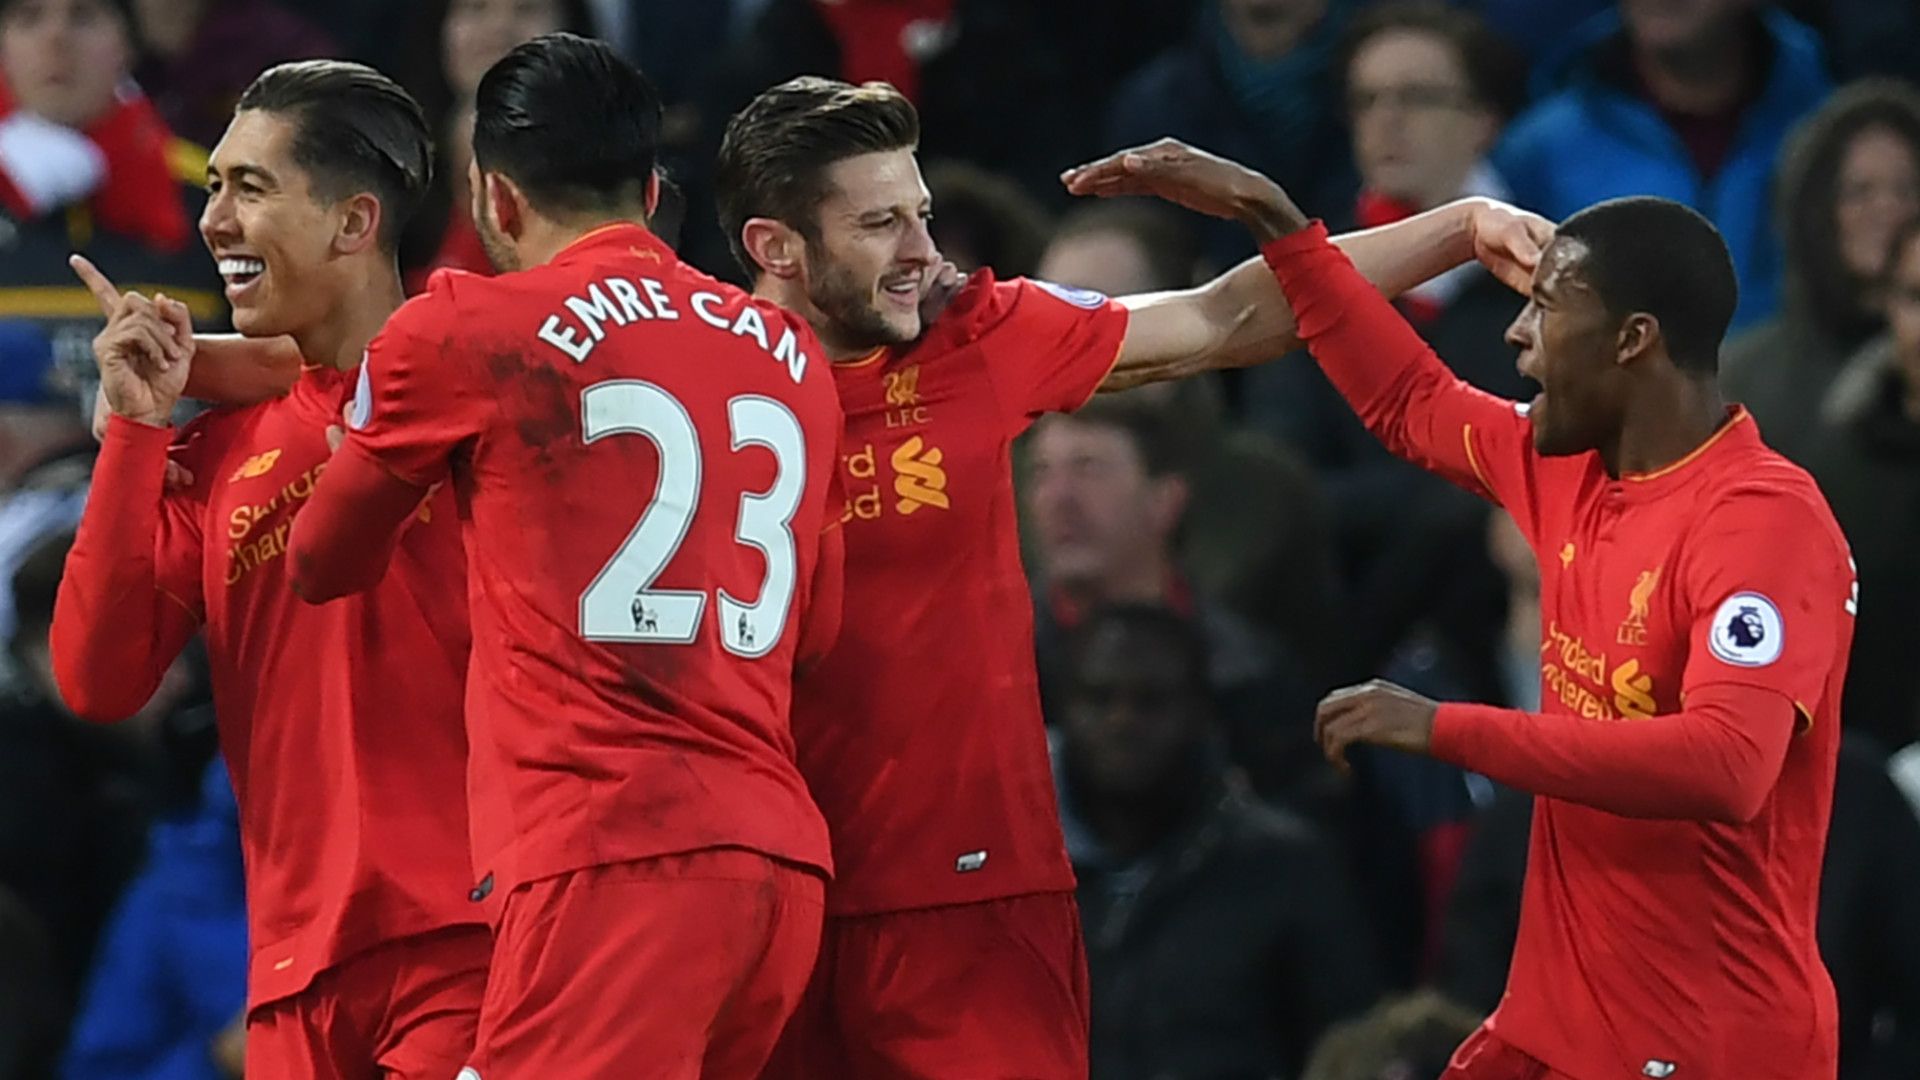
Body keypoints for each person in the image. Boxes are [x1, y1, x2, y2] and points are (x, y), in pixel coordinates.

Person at [714, 76, 1546, 1079]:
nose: (924, 256)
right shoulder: (682, 388)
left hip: (975, 899)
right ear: (776, 249)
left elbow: (1227, 316)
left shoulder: (977, 338)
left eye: (923, 216)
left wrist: (1457, 229)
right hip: (763, 897)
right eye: (882, 225)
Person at [1061, 138, 1854, 1077]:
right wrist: (1276, 222)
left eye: (1547, 311)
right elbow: (1407, 398)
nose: (1517, 337)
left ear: (1633, 340)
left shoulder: (1761, 520)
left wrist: (1447, 729)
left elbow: (1727, 767)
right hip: (1557, 1022)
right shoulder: (1570, 467)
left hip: (1711, 1039)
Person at [285, 35, 843, 1080]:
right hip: (779, 869)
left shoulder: (466, 328)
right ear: (651, 188)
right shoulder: (792, 356)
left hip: (608, 860)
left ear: (493, 198)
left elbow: (321, 562)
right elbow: (820, 630)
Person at [49, 60, 487, 1079]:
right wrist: (138, 431)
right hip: (292, 981)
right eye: (213, 187)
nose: (214, 222)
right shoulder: (221, 452)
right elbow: (98, 679)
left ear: (354, 221)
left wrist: (216, 357)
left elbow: (405, 354)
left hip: (474, 945)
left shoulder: (481, 379)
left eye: (251, 188)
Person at [1054, 603, 1378, 1080]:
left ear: (1201, 712)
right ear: (1062, 710)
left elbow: (1351, 1052)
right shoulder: (1005, 880)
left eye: (1151, 701)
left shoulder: (1285, 870)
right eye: (1099, 699)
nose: (1122, 722)